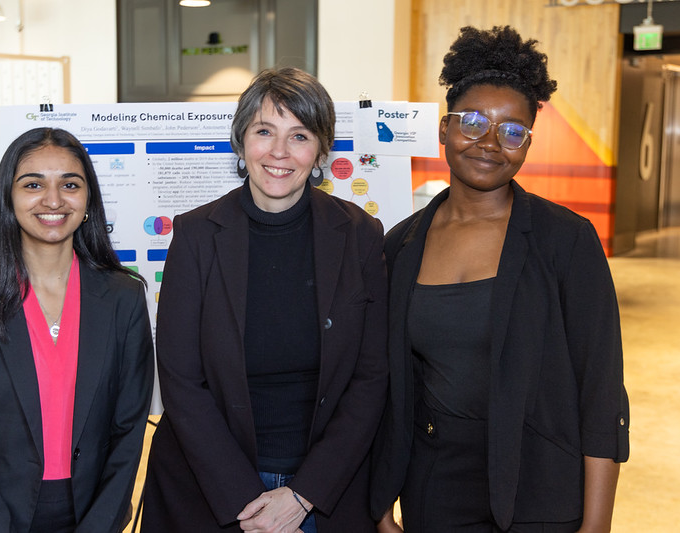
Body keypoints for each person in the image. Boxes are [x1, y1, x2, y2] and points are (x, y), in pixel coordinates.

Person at [370, 26, 629, 533]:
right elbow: (391, 386)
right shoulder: (400, 244)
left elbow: (600, 393)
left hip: (540, 494)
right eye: (473, 122)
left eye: (513, 130)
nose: (490, 142)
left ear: (528, 143)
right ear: (444, 129)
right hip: (435, 491)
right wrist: (382, 498)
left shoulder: (566, 240)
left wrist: (596, 525)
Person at [140, 67, 389, 532]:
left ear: (320, 152)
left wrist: (302, 495)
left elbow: (371, 376)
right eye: (264, 131)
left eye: (299, 135)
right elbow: (180, 379)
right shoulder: (196, 234)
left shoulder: (359, 234)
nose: (279, 152)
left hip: (327, 490)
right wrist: (249, 502)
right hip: (210, 488)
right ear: (240, 142)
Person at [0, 127, 154, 532]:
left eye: (70, 184)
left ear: (88, 200)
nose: (53, 200)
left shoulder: (124, 299)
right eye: (33, 184)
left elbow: (128, 432)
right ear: (8, 198)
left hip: (92, 516)